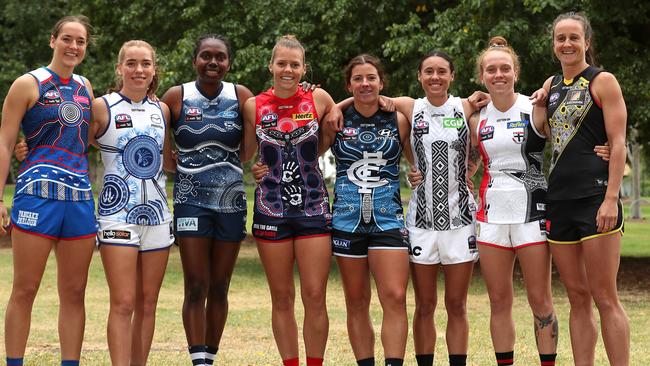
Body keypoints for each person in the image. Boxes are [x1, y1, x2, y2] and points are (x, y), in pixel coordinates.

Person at [0, 15, 96, 366]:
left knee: (74, 293)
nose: (73, 46)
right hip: (36, 196)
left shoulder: (86, 87)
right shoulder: (28, 84)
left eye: (81, 41)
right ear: (52, 40)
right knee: (25, 289)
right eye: (67, 39)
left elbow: (86, 139)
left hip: (80, 199)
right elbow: (6, 140)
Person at [241, 35, 341, 366]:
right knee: (282, 297)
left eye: (294, 65)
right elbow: (244, 153)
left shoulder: (320, 98)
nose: (287, 70)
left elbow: (329, 135)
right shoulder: (254, 105)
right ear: (270, 66)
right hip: (271, 209)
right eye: (281, 63)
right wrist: (256, 168)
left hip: (313, 208)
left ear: (303, 68)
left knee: (315, 296)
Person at [388, 51, 487, 366]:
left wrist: (468, 172)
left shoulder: (466, 106)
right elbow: (369, 96)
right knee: (425, 305)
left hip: (460, 222)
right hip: (422, 222)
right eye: (428, 71)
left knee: (457, 305)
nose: (435, 77)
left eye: (441, 71)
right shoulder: (410, 106)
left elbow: (485, 137)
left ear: (452, 76)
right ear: (419, 76)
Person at [161, 34, 253, 366]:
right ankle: (198, 360)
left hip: (231, 202)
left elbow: (250, 151)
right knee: (196, 284)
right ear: (195, 60)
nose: (213, 63)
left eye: (220, 57)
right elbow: (159, 145)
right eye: (206, 56)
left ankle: (210, 357)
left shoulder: (242, 96)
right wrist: (177, 166)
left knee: (220, 285)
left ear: (229, 62)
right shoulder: (176, 96)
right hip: (190, 202)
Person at [543, 12, 629, 365]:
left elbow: (618, 141)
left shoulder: (602, 81)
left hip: (596, 201)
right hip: (559, 202)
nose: (567, 44)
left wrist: (611, 198)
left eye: (574, 38)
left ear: (586, 43)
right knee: (577, 297)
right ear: (554, 44)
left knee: (604, 296)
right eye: (560, 38)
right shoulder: (549, 86)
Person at [471, 36, 558, 366]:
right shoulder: (476, 116)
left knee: (540, 299)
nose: (498, 75)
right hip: (491, 216)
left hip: (532, 215)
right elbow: (464, 162)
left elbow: (570, 138)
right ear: (483, 76)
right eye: (491, 70)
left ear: (515, 73)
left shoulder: (536, 107)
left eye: (505, 68)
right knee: (499, 300)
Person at [326, 54, 412, 366]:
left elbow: (417, 157)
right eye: (358, 79)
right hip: (346, 221)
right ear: (349, 84)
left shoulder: (399, 118)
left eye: (371, 78)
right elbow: (305, 154)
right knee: (357, 301)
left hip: (388, 218)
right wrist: (339, 106)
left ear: (381, 82)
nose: (365, 84)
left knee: (394, 297)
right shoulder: (334, 120)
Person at [93, 40, 173, 366]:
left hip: (157, 215)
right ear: (119, 67)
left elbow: (168, 161)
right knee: (123, 303)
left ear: (154, 70)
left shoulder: (162, 110)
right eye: (131, 63)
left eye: (145, 64)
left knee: (148, 303)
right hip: (117, 215)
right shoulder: (102, 107)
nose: (138, 70)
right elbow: (70, 144)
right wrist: (29, 149)